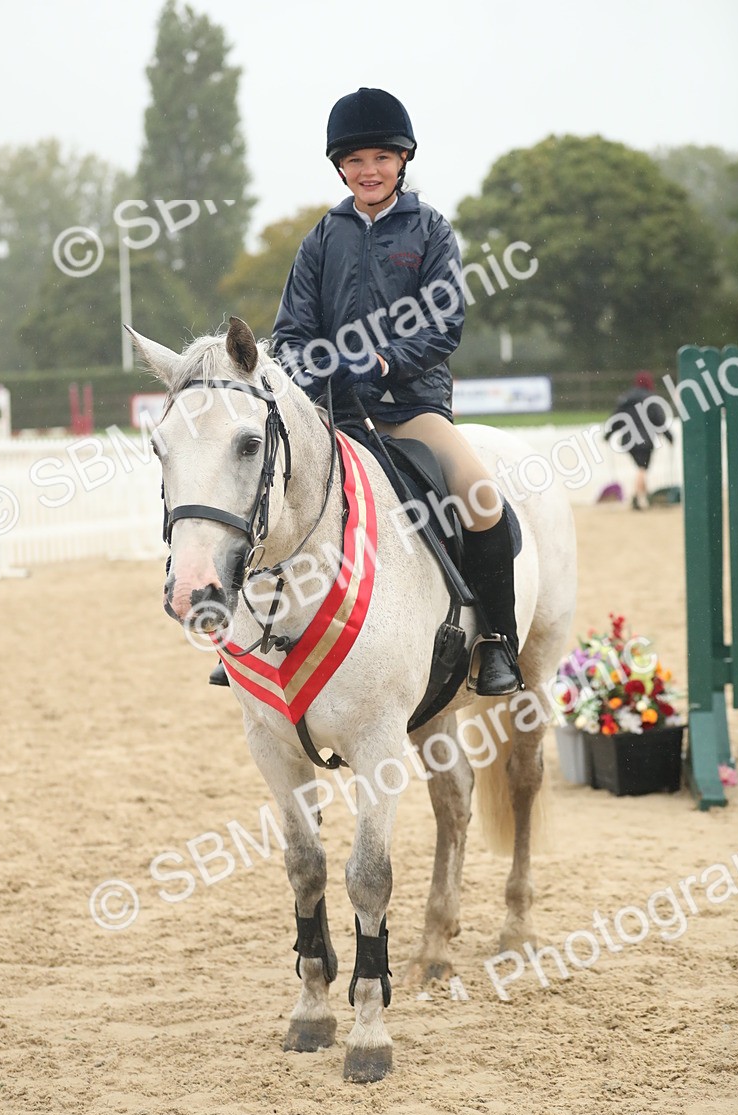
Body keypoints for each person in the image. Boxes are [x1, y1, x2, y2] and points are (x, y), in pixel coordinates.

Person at [212, 87, 520, 695]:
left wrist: (384, 362)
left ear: (403, 159)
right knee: (263, 500)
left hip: (411, 409)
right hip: (334, 416)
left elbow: (444, 326)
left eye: (381, 157)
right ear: (340, 167)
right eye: (355, 161)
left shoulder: (431, 231)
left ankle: (496, 641)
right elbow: (292, 332)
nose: (369, 171)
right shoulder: (322, 238)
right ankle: (245, 638)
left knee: (480, 499)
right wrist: (312, 369)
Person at [606, 371, 673, 510]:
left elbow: (616, 418)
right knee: (642, 468)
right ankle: (636, 496)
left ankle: (646, 496)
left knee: (640, 468)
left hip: (629, 440)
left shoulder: (626, 399)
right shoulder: (650, 399)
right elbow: (659, 420)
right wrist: (669, 436)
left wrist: (608, 434)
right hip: (645, 439)